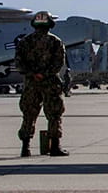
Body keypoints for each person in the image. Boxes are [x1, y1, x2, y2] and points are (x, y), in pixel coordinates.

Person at [14, 11, 69, 157]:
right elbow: (58, 63)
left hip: (31, 82)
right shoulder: (55, 41)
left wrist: (33, 74)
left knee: (29, 114)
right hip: (50, 82)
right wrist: (45, 74)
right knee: (54, 114)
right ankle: (55, 147)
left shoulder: (25, 42)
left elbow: (19, 63)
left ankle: (25, 148)